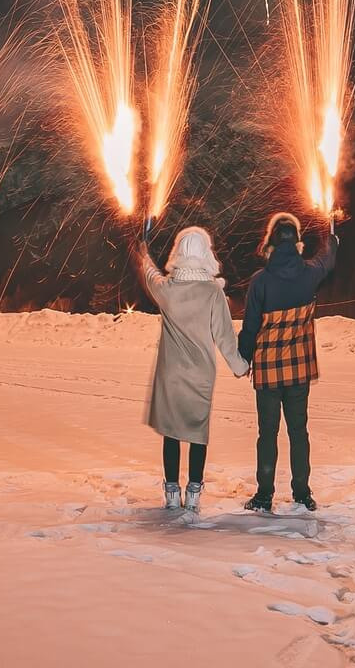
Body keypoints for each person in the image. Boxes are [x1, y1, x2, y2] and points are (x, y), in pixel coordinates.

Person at [131, 220, 249, 514]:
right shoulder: (212, 293)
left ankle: (172, 492)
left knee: (171, 432)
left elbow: (151, 275)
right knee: (198, 432)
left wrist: (144, 253)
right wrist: (240, 366)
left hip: (170, 373)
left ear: (179, 252)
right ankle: (194, 492)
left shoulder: (168, 289)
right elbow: (224, 336)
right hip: (201, 374)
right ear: (206, 253)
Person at [238, 208, 338, 512]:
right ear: (297, 243)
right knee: (298, 432)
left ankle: (264, 495)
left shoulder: (260, 282)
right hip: (298, 369)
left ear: (270, 242)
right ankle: (302, 493)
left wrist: (243, 357)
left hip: (268, 371)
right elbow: (327, 260)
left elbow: (250, 327)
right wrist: (332, 239)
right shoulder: (309, 274)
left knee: (267, 434)